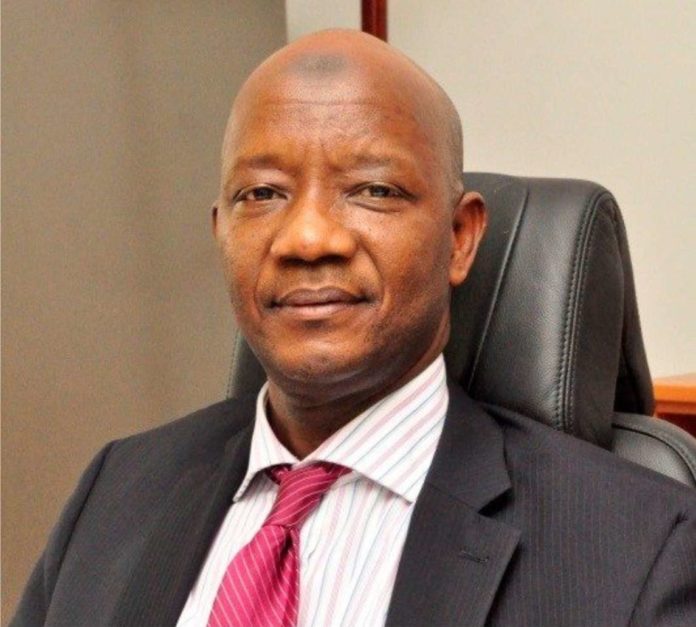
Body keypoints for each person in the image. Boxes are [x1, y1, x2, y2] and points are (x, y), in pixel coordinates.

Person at [12, 30, 696, 627]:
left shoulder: (640, 544)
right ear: (222, 232)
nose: (307, 238)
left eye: (374, 190)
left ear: (460, 237)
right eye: (262, 194)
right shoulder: (116, 489)